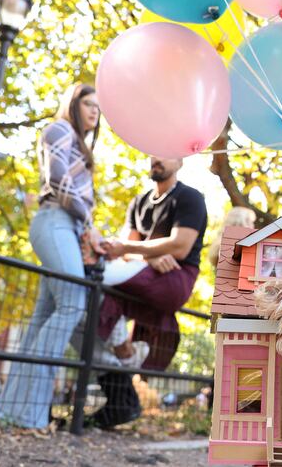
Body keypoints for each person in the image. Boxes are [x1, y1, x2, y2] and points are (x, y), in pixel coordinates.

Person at [0, 84, 103, 429]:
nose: (95, 111)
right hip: (54, 221)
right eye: (88, 104)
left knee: (44, 317)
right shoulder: (59, 129)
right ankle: (29, 414)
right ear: (73, 104)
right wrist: (89, 221)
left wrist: (86, 225)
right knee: (73, 303)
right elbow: (56, 179)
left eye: (99, 107)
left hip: (66, 227)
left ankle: (13, 413)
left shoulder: (78, 141)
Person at [88, 157, 208, 428]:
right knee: (93, 295)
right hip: (142, 272)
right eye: (153, 152)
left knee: (99, 276)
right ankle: (126, 357)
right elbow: (125, 251)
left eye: (164, 153)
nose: (156, 158)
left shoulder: (190, 197)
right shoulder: (139, 202)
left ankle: (128, 354)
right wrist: (149, 258)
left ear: (179, 161)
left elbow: (179, 247)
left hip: (175, 277)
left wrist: (134, 252)